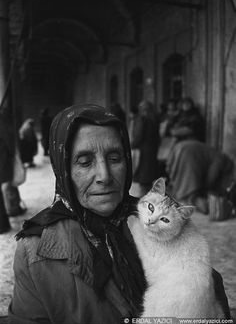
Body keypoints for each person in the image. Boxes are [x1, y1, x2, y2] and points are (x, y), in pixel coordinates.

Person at [9, 104, 230, 323]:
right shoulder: (36, 250)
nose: (104, 176)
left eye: (115, 159)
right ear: (63, 168)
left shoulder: (167, 225)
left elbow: (208, 300)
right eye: (85, 162)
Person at [166, 139, 234, 214]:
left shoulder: (216, 155)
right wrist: (207, 189)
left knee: (184, 185)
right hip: (189, 153)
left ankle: (184, 200)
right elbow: (212, 175)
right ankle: (192, 201)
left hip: (179, 148)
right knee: (190, 190)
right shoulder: (221, 159)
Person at [131, 100, 159, 196]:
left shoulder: (142, 119)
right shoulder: (155, 119)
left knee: (144, 181)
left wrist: (131, 145)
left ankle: (144, 203)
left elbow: (139, 135)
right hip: (152, 152)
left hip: (143, 153)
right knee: (148, 181)